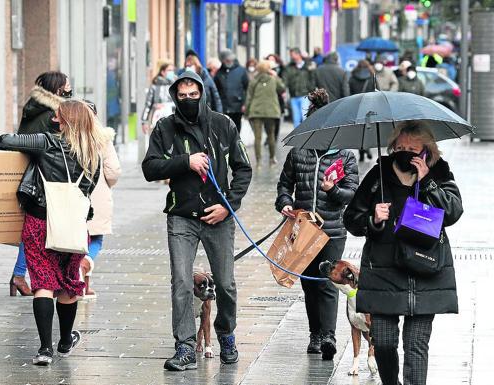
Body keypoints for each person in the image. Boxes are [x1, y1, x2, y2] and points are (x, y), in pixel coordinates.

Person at [142, 71, 252, 371]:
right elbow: (149, 167)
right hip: (182, 216)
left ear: (202, 94)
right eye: (182, 95)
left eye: (194, 94)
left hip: (219, 216)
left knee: (226, 284)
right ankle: (185, 346)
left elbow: (243, 169)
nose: (188, 100)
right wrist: (185, 162)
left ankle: (226, 334)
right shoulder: (165, 127)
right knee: (181, 281)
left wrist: (228, 206)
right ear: (175, 97)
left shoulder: (222, 124)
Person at [343, 123, 463, 385]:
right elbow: (351, 218)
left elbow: (453, 212)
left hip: (426, 270)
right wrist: (373, 218)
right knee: (384, 342)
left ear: (425, 151)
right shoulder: (379, 175)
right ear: (392, 147)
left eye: (412, 149)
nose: (405, 152)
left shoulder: (439, 172)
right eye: (400, 147)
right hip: (383, 272)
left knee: (416, 345)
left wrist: (427, 182)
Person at [0, 100, 104, 366]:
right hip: (74, 226)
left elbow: (5, 141)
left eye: (58, 113)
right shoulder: (93, 154)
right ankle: (65, 341)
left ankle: (45, 349)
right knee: (69, 282)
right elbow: (88, 191)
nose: (54, 116)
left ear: (65, 120)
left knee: (43, 283)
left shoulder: (47, 142)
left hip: (40, 222)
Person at [275, 88, 359, 361]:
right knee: (309, 282)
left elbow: (351, 193)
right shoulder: (299, 153)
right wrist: (285, 202)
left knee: (327, 282)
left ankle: (329, 335)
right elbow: (285, 183)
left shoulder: (345, 156)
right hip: (303, 228)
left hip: (333, 229)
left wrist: (333, 189)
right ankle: (315, 334)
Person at [9, 71, 73, 297]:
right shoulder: (52, 116)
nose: (69, 89)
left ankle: (19, 275)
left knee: (32, 230)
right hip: (43, 177)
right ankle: (24, 276)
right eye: (67, 86)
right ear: (58, 90)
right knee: (37, 231)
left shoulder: (33, 107)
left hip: (33, 173)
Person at [84, 102, 122, 299]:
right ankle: (86, 271)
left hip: (72, 200)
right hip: (97, 197)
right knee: (95, 239)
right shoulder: (103, 139)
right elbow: (113, 171)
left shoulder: (65, 137)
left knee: (76, 242)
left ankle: (76, 282)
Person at [244, 60, 285, 166]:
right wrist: (276, 76)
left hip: (256, 112)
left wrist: (247, 112)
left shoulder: (253, 81)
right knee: (270, 135)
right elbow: (282, 89)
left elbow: (249, 98)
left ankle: (258, 161)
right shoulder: (273, 79)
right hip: (271, 112)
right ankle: (272, 158)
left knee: (257, 137)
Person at [214, 49, 249, 132]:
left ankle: (236, 144)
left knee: (236, 128)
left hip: (238, 106)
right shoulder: (219, 73)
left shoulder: (241, 71)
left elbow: (247, 88)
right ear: (222, 60)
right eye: (227, 59)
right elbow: (216, 91)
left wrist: (245, 103)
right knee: (225, 128)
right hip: (224, 106)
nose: (229, 61)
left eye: (231, 59)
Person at [282, 48, 317, 127]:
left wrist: (312, 90)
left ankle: (305, 135)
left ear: (298, 54)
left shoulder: (308, 66)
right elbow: (285, 80)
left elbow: (313, 78)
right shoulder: (289, 67)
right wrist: (283, 89)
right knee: (296, 118)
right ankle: (296, 136)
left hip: (304, 95)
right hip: (293, 95)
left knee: (304, 117)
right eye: (291, 55)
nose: (292, 57)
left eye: (293, 54)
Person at [349, 60, 375, 162]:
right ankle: (367, 148)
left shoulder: (352, 78)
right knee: (368, 130)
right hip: (369, 107)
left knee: (359, 131)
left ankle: (361, 153)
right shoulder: (372, 77)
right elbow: (377, 92)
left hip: (356, 107)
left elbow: (350, 93)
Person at [141, 60, 176, 134]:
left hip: (173, 121)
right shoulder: (155, 86)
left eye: (172, 70)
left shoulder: (176, 85)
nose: (171, 72)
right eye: (169, 70)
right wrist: (144, 121)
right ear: (162, 72)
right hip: (157, 121)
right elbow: (148, 105)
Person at [265, 54, 288, 141]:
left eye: (273, 59)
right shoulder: (265, 70)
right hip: (268, 96)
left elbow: (284, 82)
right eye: (269, 59)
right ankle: (269, 136)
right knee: (268, 117)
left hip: (278, 96)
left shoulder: (281, 69)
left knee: (277, 117)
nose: (271, 61)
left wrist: (275, 76)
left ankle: (275, 136)